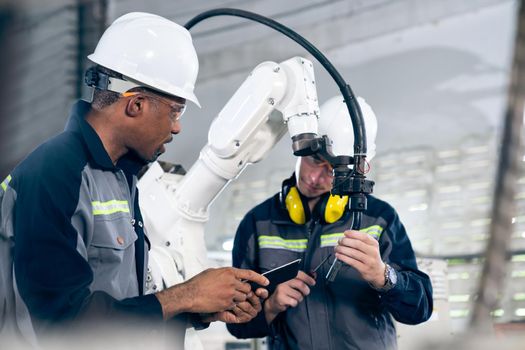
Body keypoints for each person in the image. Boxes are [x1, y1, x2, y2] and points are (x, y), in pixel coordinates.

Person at [0, 12, 269, 346]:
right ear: (136, 105)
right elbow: (61, 324)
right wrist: (185, 295)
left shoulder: (119, 177)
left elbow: (123, 311)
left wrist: (201, 309)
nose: (177, 126)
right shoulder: (54, 174)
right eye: (175, 110)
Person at [227, 95, 433, 349]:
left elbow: (420, 310)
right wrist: (271, 305)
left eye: (331, 170)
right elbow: (236, 324)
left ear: (354, 169)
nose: (314, 177)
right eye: (314, 160)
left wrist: (384, 277)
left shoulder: (378, 218)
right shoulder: (257, 223)